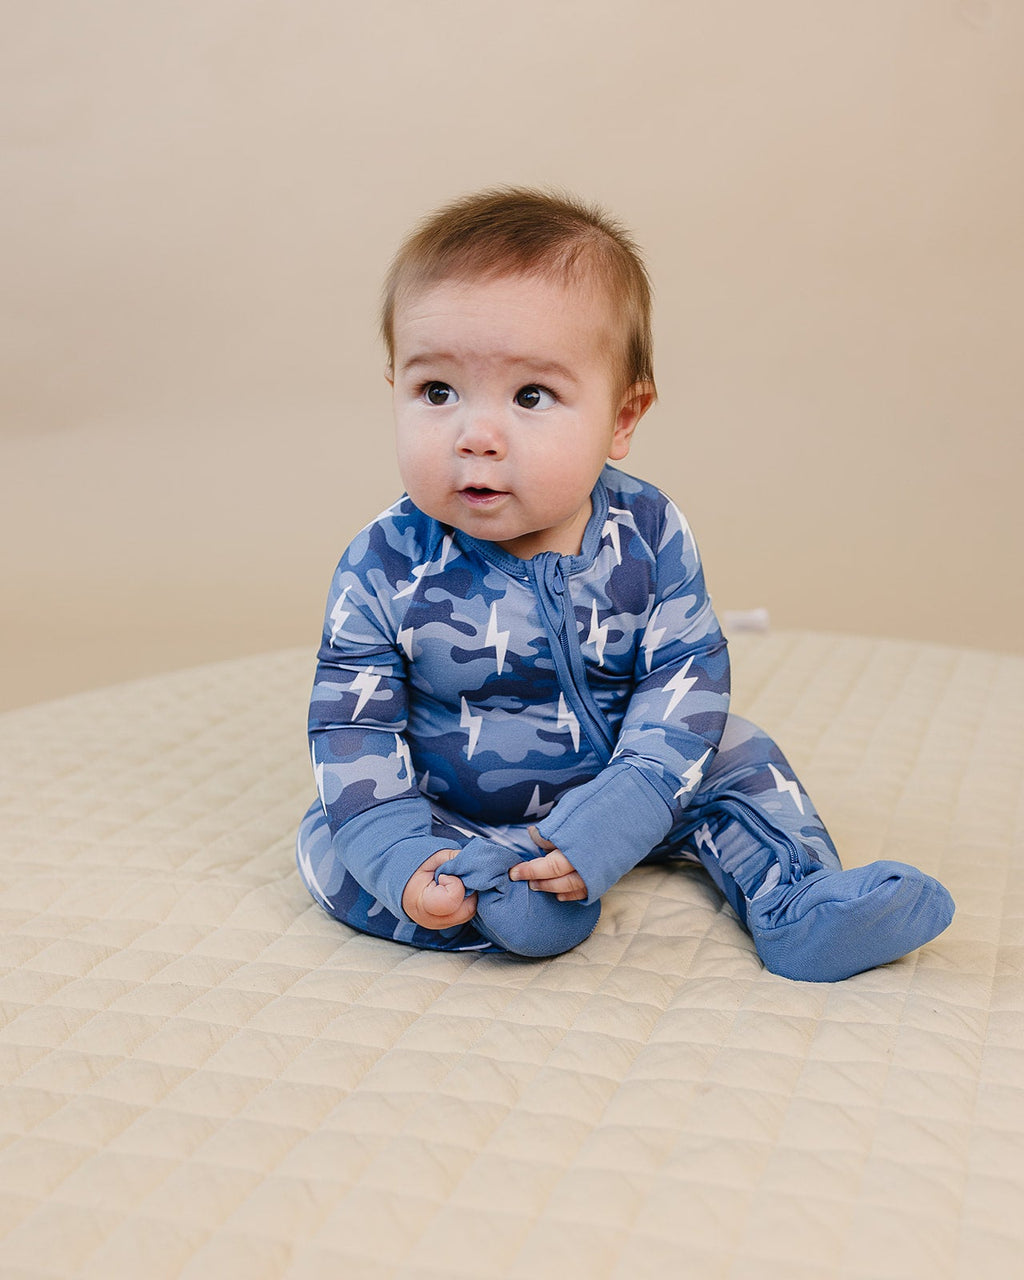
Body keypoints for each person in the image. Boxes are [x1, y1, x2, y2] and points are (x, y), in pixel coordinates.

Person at [295, 187, 954, 980]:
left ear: (622, 419)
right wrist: (398, 850)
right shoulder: (383, 563)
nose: (476, 435)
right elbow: (352, 724)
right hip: (454, 811)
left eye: (531, 396)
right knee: (338, 837)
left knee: (740, 752)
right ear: (394, 388)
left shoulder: (648, 531)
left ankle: (797, 905)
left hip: (637, 786)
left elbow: (687, 672)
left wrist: (629, 807)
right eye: (437, 392)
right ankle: (496, 906)